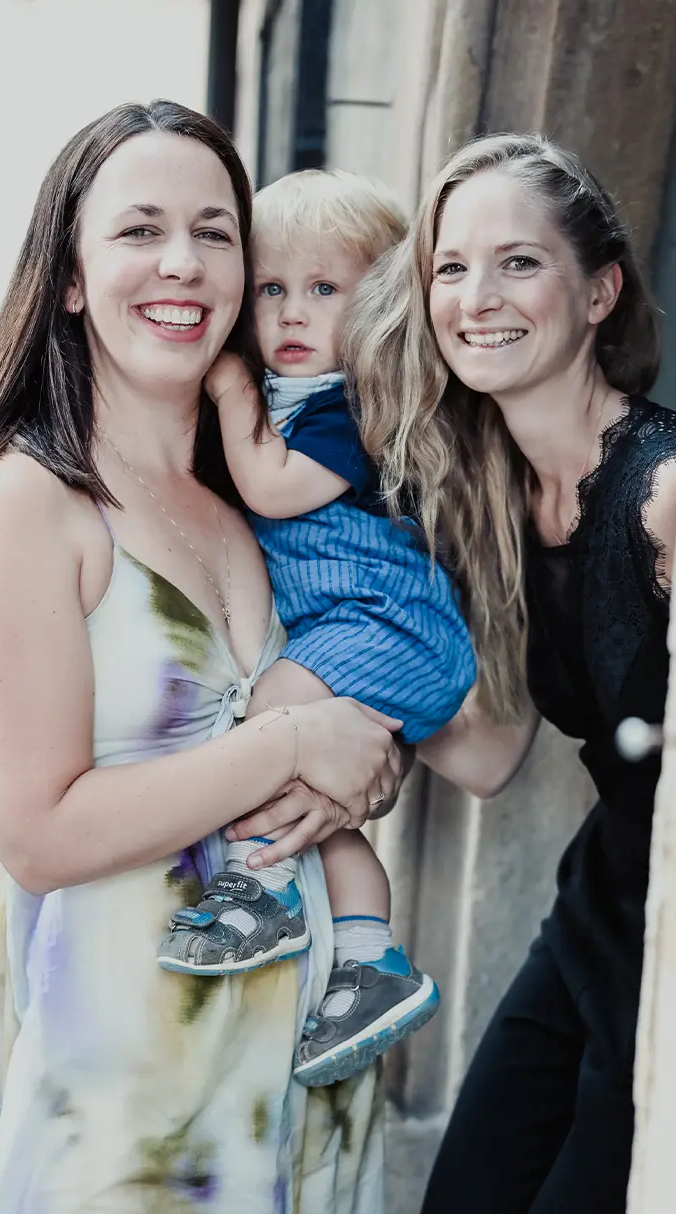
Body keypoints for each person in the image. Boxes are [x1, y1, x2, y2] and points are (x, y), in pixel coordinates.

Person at [0, 101, 403, 1214]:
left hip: (289, 1103)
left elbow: (324, 722)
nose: (184, 264)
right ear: (70, 276)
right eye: (140, 230)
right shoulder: (30, 502)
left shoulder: (248, 497)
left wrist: (352, 767)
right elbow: (39, 832)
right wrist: (292, 743)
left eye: (214, 233)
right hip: (129, 1132)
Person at [344, 133, 676, 1214]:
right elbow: (487, 753)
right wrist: (314, 711)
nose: (475, 296)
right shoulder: (494, 492)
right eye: (449, 268)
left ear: (598, 293)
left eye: (518, 263)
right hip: (600, 905)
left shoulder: (669, 497)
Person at [164, 168, 476, 1087]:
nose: (292, 314)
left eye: (324, 289)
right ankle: (370, 959)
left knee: (263, 718)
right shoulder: (294, 401)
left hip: (388, 623)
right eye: (272, 289)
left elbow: (270, 487)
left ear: (379, 306)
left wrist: (228, 390)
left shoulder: (349, 407)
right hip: (349, 629)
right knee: (322, 814)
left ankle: (260, 894)